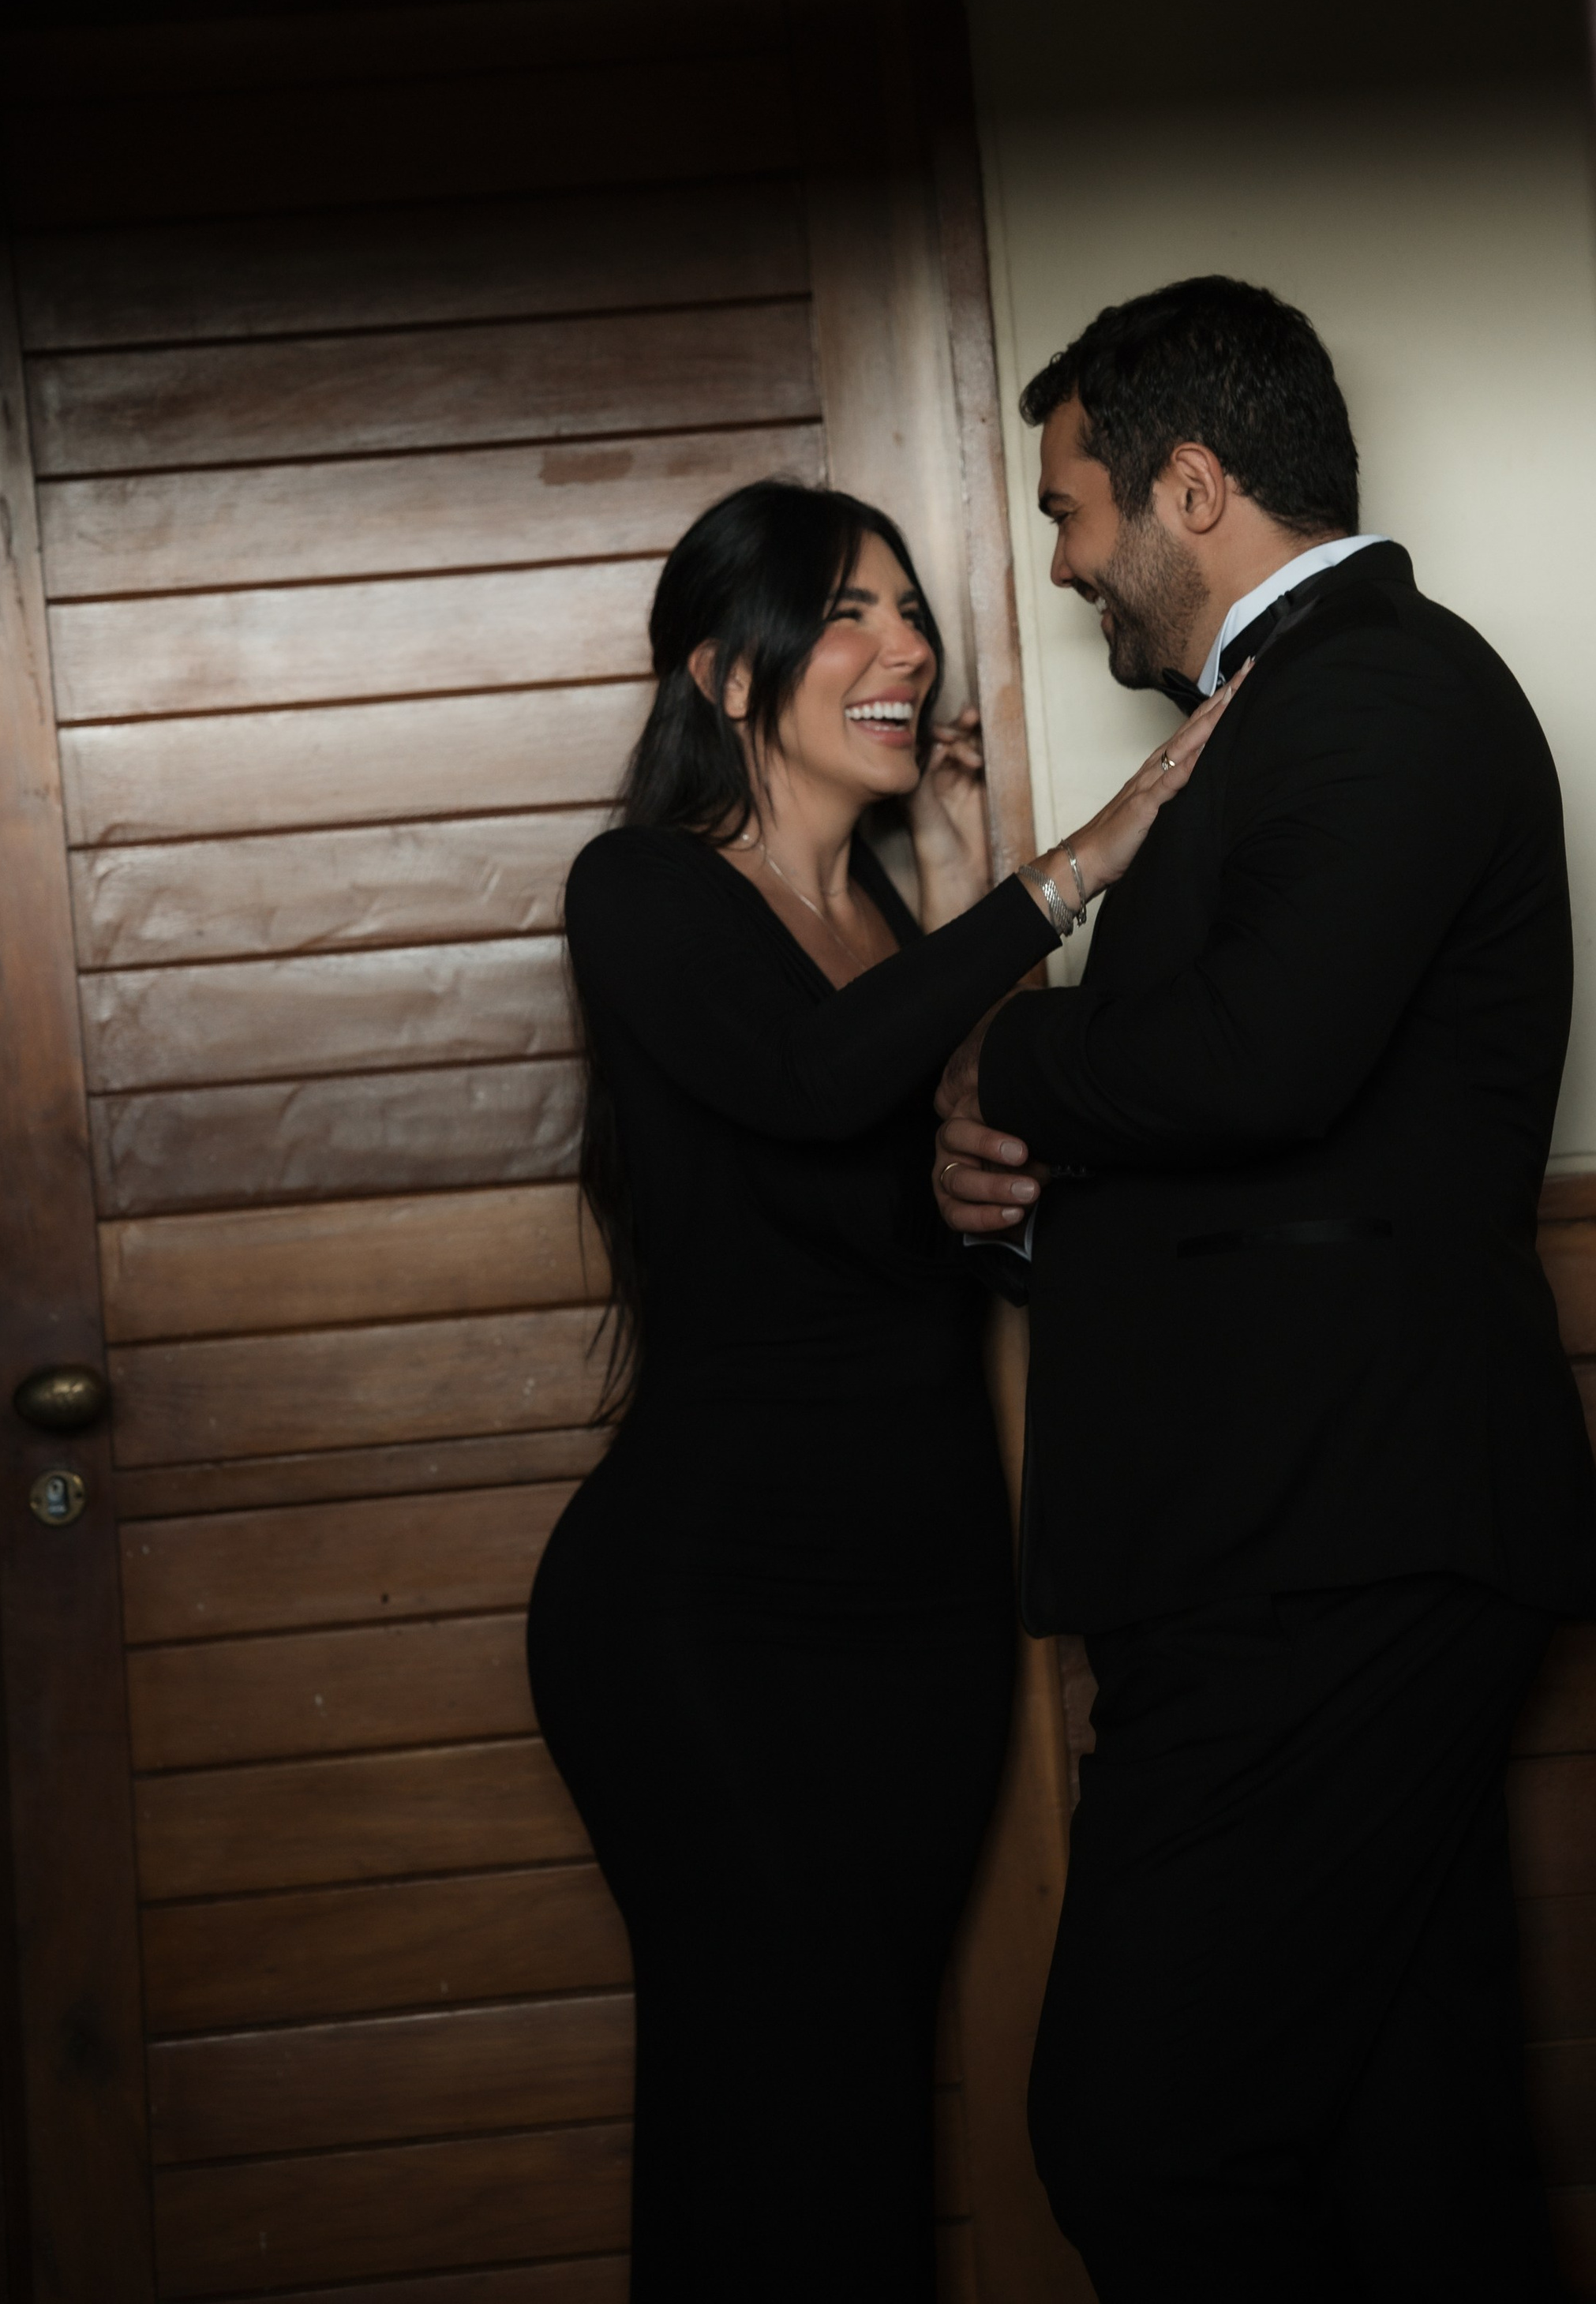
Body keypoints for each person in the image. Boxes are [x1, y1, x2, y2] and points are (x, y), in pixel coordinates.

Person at [933, 279, 1596, 2303]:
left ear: (1193, 484)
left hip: (1335, 1538)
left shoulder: (1380, 688)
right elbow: (1291, 1164)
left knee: (1142, 2131)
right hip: (1292, 1525)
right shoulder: (1278, 721)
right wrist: (1029, 1210)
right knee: (1406, 2157)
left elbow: (1267, 1062)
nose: (1062, 568)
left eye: (1071, 514)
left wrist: (1005, 1059)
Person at [526, 476, 1240, 2302]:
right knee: (758, 2100)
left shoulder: (918, 946)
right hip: (705, 1614)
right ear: (723, 669)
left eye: (908, 612)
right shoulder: (642, 895)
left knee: (855, 2099)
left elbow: (914, 1242)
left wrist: (995, 1205)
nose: (899, 649)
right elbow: (812, 1081)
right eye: (843, 613)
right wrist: (1069, 863)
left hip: (920, 1609)